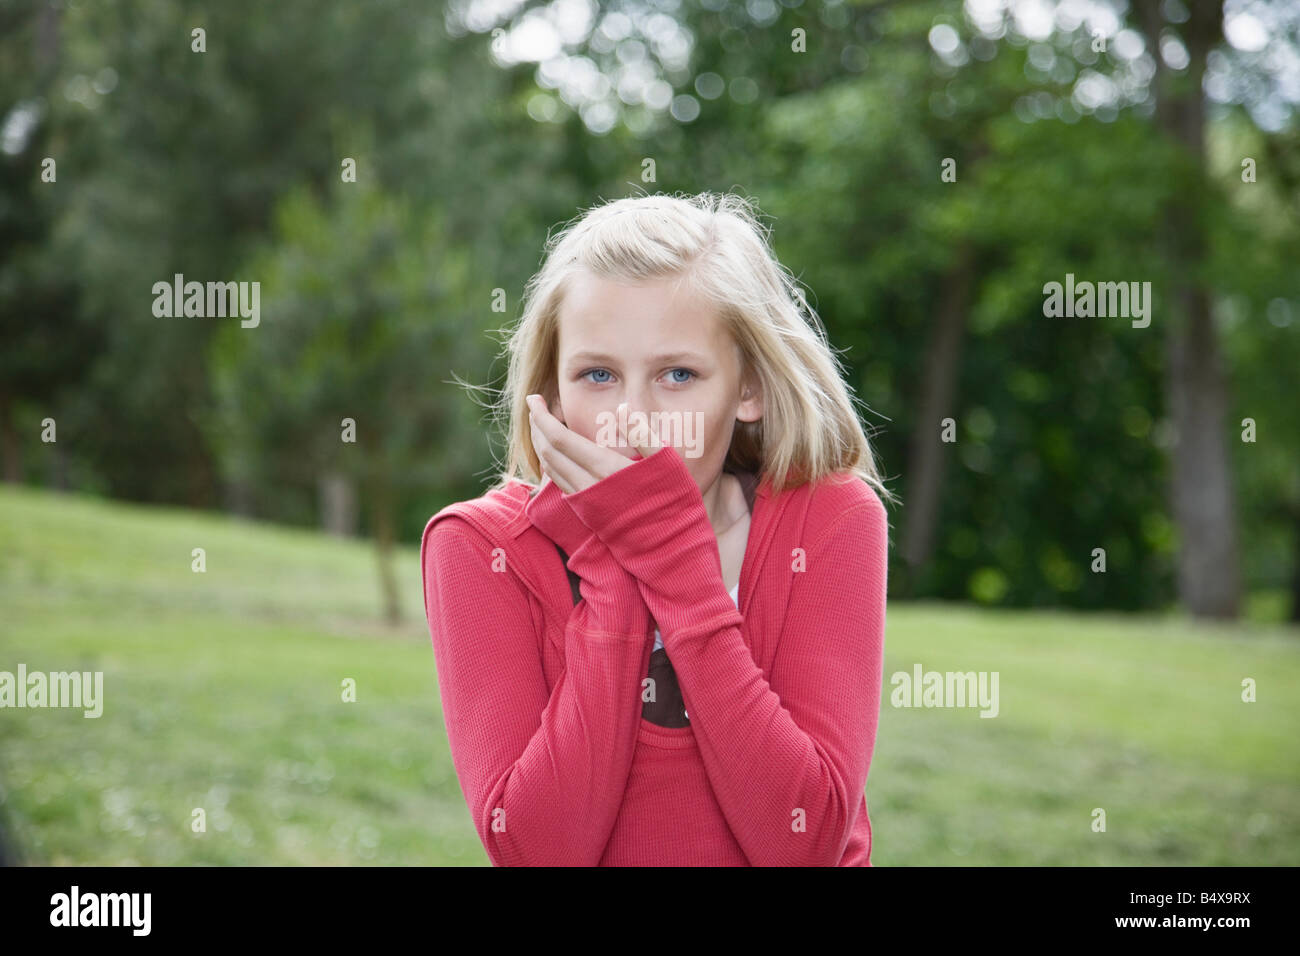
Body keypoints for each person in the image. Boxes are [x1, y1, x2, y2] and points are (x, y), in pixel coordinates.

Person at [421, 191, 892, 866]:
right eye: (597, 374)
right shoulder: (480, 548)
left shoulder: (831, 519)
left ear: (749, 388)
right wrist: (615, 567)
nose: (632, 419)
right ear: (550, 393)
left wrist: (673, 562)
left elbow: (804, 842)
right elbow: (538, 852)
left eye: (678, 375)